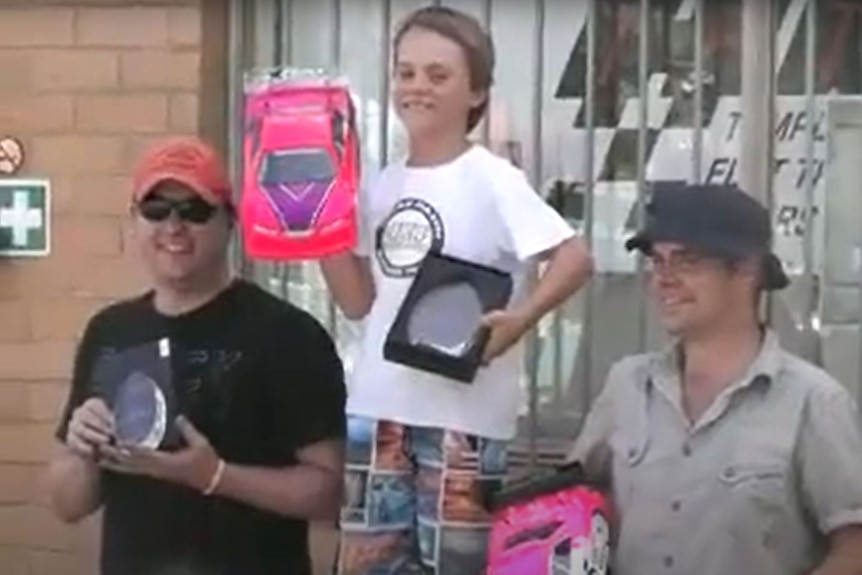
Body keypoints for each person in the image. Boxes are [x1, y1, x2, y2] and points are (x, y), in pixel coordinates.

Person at [319, 6, 594, 574]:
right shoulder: (376, 182)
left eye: (438, 75)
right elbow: (359, 302)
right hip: (376, 409)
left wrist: (521, 317)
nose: (417, 87)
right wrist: (322, 232)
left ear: (476, 93)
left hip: (462, 424)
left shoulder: (493, 179)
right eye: (406, 72)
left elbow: (573, 258)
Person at [45, 136, 347, 575]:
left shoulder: (288, 334)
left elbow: (327, 493)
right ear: (134, 220)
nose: (173, 226)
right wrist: (82, 450)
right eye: (156, 209)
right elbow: (67, 505)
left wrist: (215, 476)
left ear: (230, 221)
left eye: (194, 210)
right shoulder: (110, 332)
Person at [569, 183, 862, 575]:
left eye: (686, 262)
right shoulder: (627, 386)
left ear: (746, 271)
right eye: (657, 261)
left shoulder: (813, 402)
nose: (663, 278)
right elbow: (570, 506)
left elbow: (854, 550)